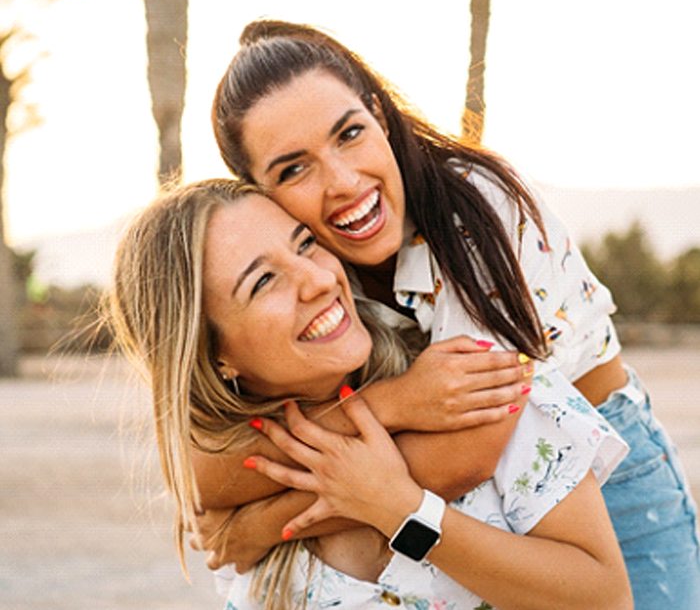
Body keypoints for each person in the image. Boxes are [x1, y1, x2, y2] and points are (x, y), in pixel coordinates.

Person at [209, 20, 700, 608]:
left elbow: (471, 446)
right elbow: (208, 472)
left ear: (379, 116)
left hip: (606, 477)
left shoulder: (479, 207)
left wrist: (256, 527)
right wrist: (397, 407)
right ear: (258, 193)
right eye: (294, 169)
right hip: (472, 505)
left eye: (349, 134)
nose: (341, 182)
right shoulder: (308, 271)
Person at [107, 178, 631, 609]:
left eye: (305, 243)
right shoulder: (233, 505)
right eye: (264, 281)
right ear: (213, 355)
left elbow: (604, 600)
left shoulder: (473, 384)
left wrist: (402, 510)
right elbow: (197, 473)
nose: (316, 279)